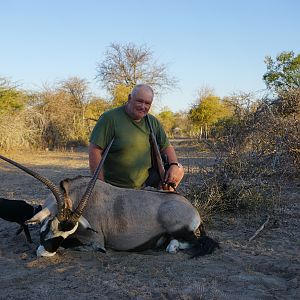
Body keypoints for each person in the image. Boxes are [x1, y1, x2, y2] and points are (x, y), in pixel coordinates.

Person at [89, 84, 184, 190]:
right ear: (130, 98)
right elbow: (94, 150)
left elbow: (166, 147)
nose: (143, 106)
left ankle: (163, 197)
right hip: (114, 187)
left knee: (179, 170)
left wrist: (174, 164)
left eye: (147, 103)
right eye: (139, 101)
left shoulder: (152, 122)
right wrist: (102, 186)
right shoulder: (109, 119)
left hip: (145, 186)